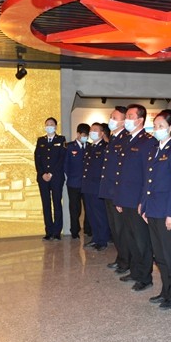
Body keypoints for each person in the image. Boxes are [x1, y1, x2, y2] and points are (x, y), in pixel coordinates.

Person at [140, 111, 171, 309]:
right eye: (155, 126)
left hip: (166, 210)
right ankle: (165, 290)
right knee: (159, 255)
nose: (156, 129)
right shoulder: (154, 150)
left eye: (161, 126)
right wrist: (144, 204)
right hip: (153, 209)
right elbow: (147, 181)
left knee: (170, 255)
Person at [113, 104, 156, 291]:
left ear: (140, 120)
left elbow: (148, 175)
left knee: (141, 240)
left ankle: (145, 277)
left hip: (137, 199)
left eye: (130, 116)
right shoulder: (127, 140)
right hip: (125, 199)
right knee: (130, 238)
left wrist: (142, 201)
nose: (127, 120)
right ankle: (135, 271)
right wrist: (119, 199)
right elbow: (121, 172)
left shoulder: (147, 142)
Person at [99, 107, 130, 272]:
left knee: (121, 229)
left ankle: (126, 261)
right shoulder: (113, 138)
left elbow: (122, 170)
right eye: (111, 117)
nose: (111, 120)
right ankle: (121, 257)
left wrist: (118, 194)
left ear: (124, 121)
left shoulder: (125, 139)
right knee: (114, 229)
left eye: (115, 118)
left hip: (116, 192)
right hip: (108, 190)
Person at [34, 117, 66, 241]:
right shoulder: (40, 140)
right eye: (47, 124)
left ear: (56, 127)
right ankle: (49, 231)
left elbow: (61, 158)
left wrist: (51, 173)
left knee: (57, 203)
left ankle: (57, 232)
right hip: (43, 178)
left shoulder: (61, 139)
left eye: (51, 124)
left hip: (56, 177)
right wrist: (42, 173)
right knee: (46, 204)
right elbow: (37, 158)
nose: (49, 126)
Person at [81, 123, 110, 251]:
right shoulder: (90, 147)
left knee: (100, 215)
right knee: (91, 214)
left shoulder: (105, 147)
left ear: (102, 133)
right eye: (91, 130)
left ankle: (102, 240)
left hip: (97, 187)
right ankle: (95, 238)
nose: (92, 132)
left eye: (95, 130)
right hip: (87, 187)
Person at [64, 123, 92, 240]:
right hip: (74, 183)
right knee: (75, 208)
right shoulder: (69, 147)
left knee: (88, 207)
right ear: (78, 134)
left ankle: (88, 229)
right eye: (83, 135)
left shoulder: (90, 146)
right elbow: (66, 165)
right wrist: (72, 177)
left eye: (87, 135)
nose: (85, 137)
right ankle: (74, 230)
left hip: (87, 183)